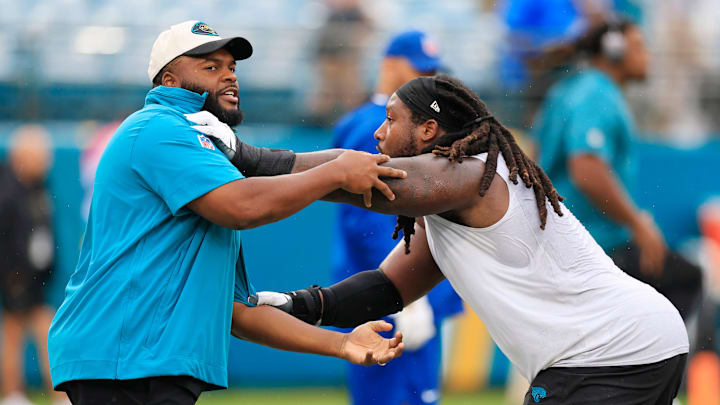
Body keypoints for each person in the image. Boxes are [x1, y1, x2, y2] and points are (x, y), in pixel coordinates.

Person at [242, 75, 690, 404]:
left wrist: (249, 159)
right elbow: (385, 289)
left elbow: (363, 181)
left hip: (611, 352)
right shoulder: (449, 206)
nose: (379, 133)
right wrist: (293, 305)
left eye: (391, 120)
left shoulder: (472, 174)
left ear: (429, 131)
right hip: (626, 348)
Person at [47, 20, 405, 405]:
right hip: (123, 358)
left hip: (140, 362)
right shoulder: (158, 127)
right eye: (211, 67)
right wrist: (335, 172)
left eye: (232, 67)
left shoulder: (204, 151)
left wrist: (341, 343)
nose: (230, 77)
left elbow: (236, 311)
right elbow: (243, 205)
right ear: (169, 80)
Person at [531, 19, 702, 320]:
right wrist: (637, 224)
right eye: (639, 46)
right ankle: (646, 365)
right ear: (614, 52)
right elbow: (586, 169)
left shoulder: (571, 89)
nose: (647, 55)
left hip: (568, 240)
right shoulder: (597, 95)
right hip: (595, 246)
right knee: (686, 280)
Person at [331, 30, 463, 405]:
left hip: (406, 284)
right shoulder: (372, 126)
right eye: (418, 70)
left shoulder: (413, 121)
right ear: (390, 67)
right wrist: (405, 293)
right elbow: (368, 219)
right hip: (391, 289)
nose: (426, 81)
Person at [0, 126, 69, 405]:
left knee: (35, 333)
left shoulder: (38, 186)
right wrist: (12, 274)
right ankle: (16, 394)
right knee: (22, 332)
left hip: (35, 276)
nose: (45, 162)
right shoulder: (7, 191)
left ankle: (24, 394)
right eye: (39, 156)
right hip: (15, 277)